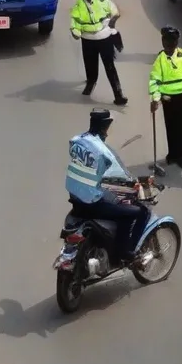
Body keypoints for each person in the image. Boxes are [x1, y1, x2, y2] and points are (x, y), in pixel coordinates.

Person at [65, 108, 148, 261]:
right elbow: (119, 176)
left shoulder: (76, 140)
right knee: (136, 213)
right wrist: (135, 184)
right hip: (91, 204)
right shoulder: (103, 151)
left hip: (74, 197)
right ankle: (123, 253)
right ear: (104, 127)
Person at [68, 0, 127, 105]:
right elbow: (75, 25)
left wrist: (112, 22)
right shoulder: (78, 6)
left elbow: (115, 12)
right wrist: (75, 32)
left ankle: (119, 95)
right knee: (91, 70)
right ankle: (88, 89)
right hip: (88, 41)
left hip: (104, 38)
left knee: (110, 67)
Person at [149, 26, 182, 171]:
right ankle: (172, 155)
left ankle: (181, 156)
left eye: (173, 43)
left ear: (176, 43)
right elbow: (154, 80)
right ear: (163, 42)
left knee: (181, 127)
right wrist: (155, 98)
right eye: (167, 43)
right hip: (167, 98)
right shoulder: (160, 59)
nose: (170, 46)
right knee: (170, 126)